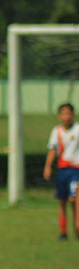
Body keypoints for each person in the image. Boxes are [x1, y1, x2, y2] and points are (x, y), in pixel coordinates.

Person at [43, 102, 79, 241]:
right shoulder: (56, 131)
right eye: (64, 114)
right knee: (62, 201)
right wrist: (48, 166)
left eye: (69, 113)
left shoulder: (77, 129)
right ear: (59, 116)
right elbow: (52, 149)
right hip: (62, 171)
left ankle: (77, 228)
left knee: (73, 199)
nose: (67, 116)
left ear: (73, 115)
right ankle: (63, 232)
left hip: (76, 170)